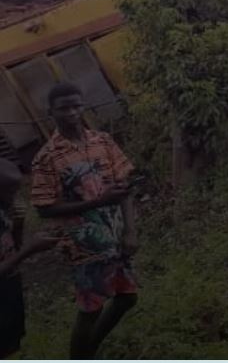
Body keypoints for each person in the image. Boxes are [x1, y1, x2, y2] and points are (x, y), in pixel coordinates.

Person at [30, 82, 139, 359]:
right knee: (91, 308)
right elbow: (44, 209)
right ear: (50, 112)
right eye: (63, 108)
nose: (71, 113)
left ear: (83, 106)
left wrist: (130, 231)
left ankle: (88, 351)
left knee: (127, 298)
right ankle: (81, 356)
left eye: (76, 106)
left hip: (115, 235)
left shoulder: (103, 141)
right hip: (84, 245)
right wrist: (97, 202)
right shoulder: (47, 158)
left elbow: (124, 187)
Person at [1, 158, 57, 358]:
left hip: (10, 283)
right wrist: (30, 249)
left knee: (10, 342)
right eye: (9, 191)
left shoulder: (4, 211)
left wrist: (18, 224)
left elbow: (14, 248)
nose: (14, 196)